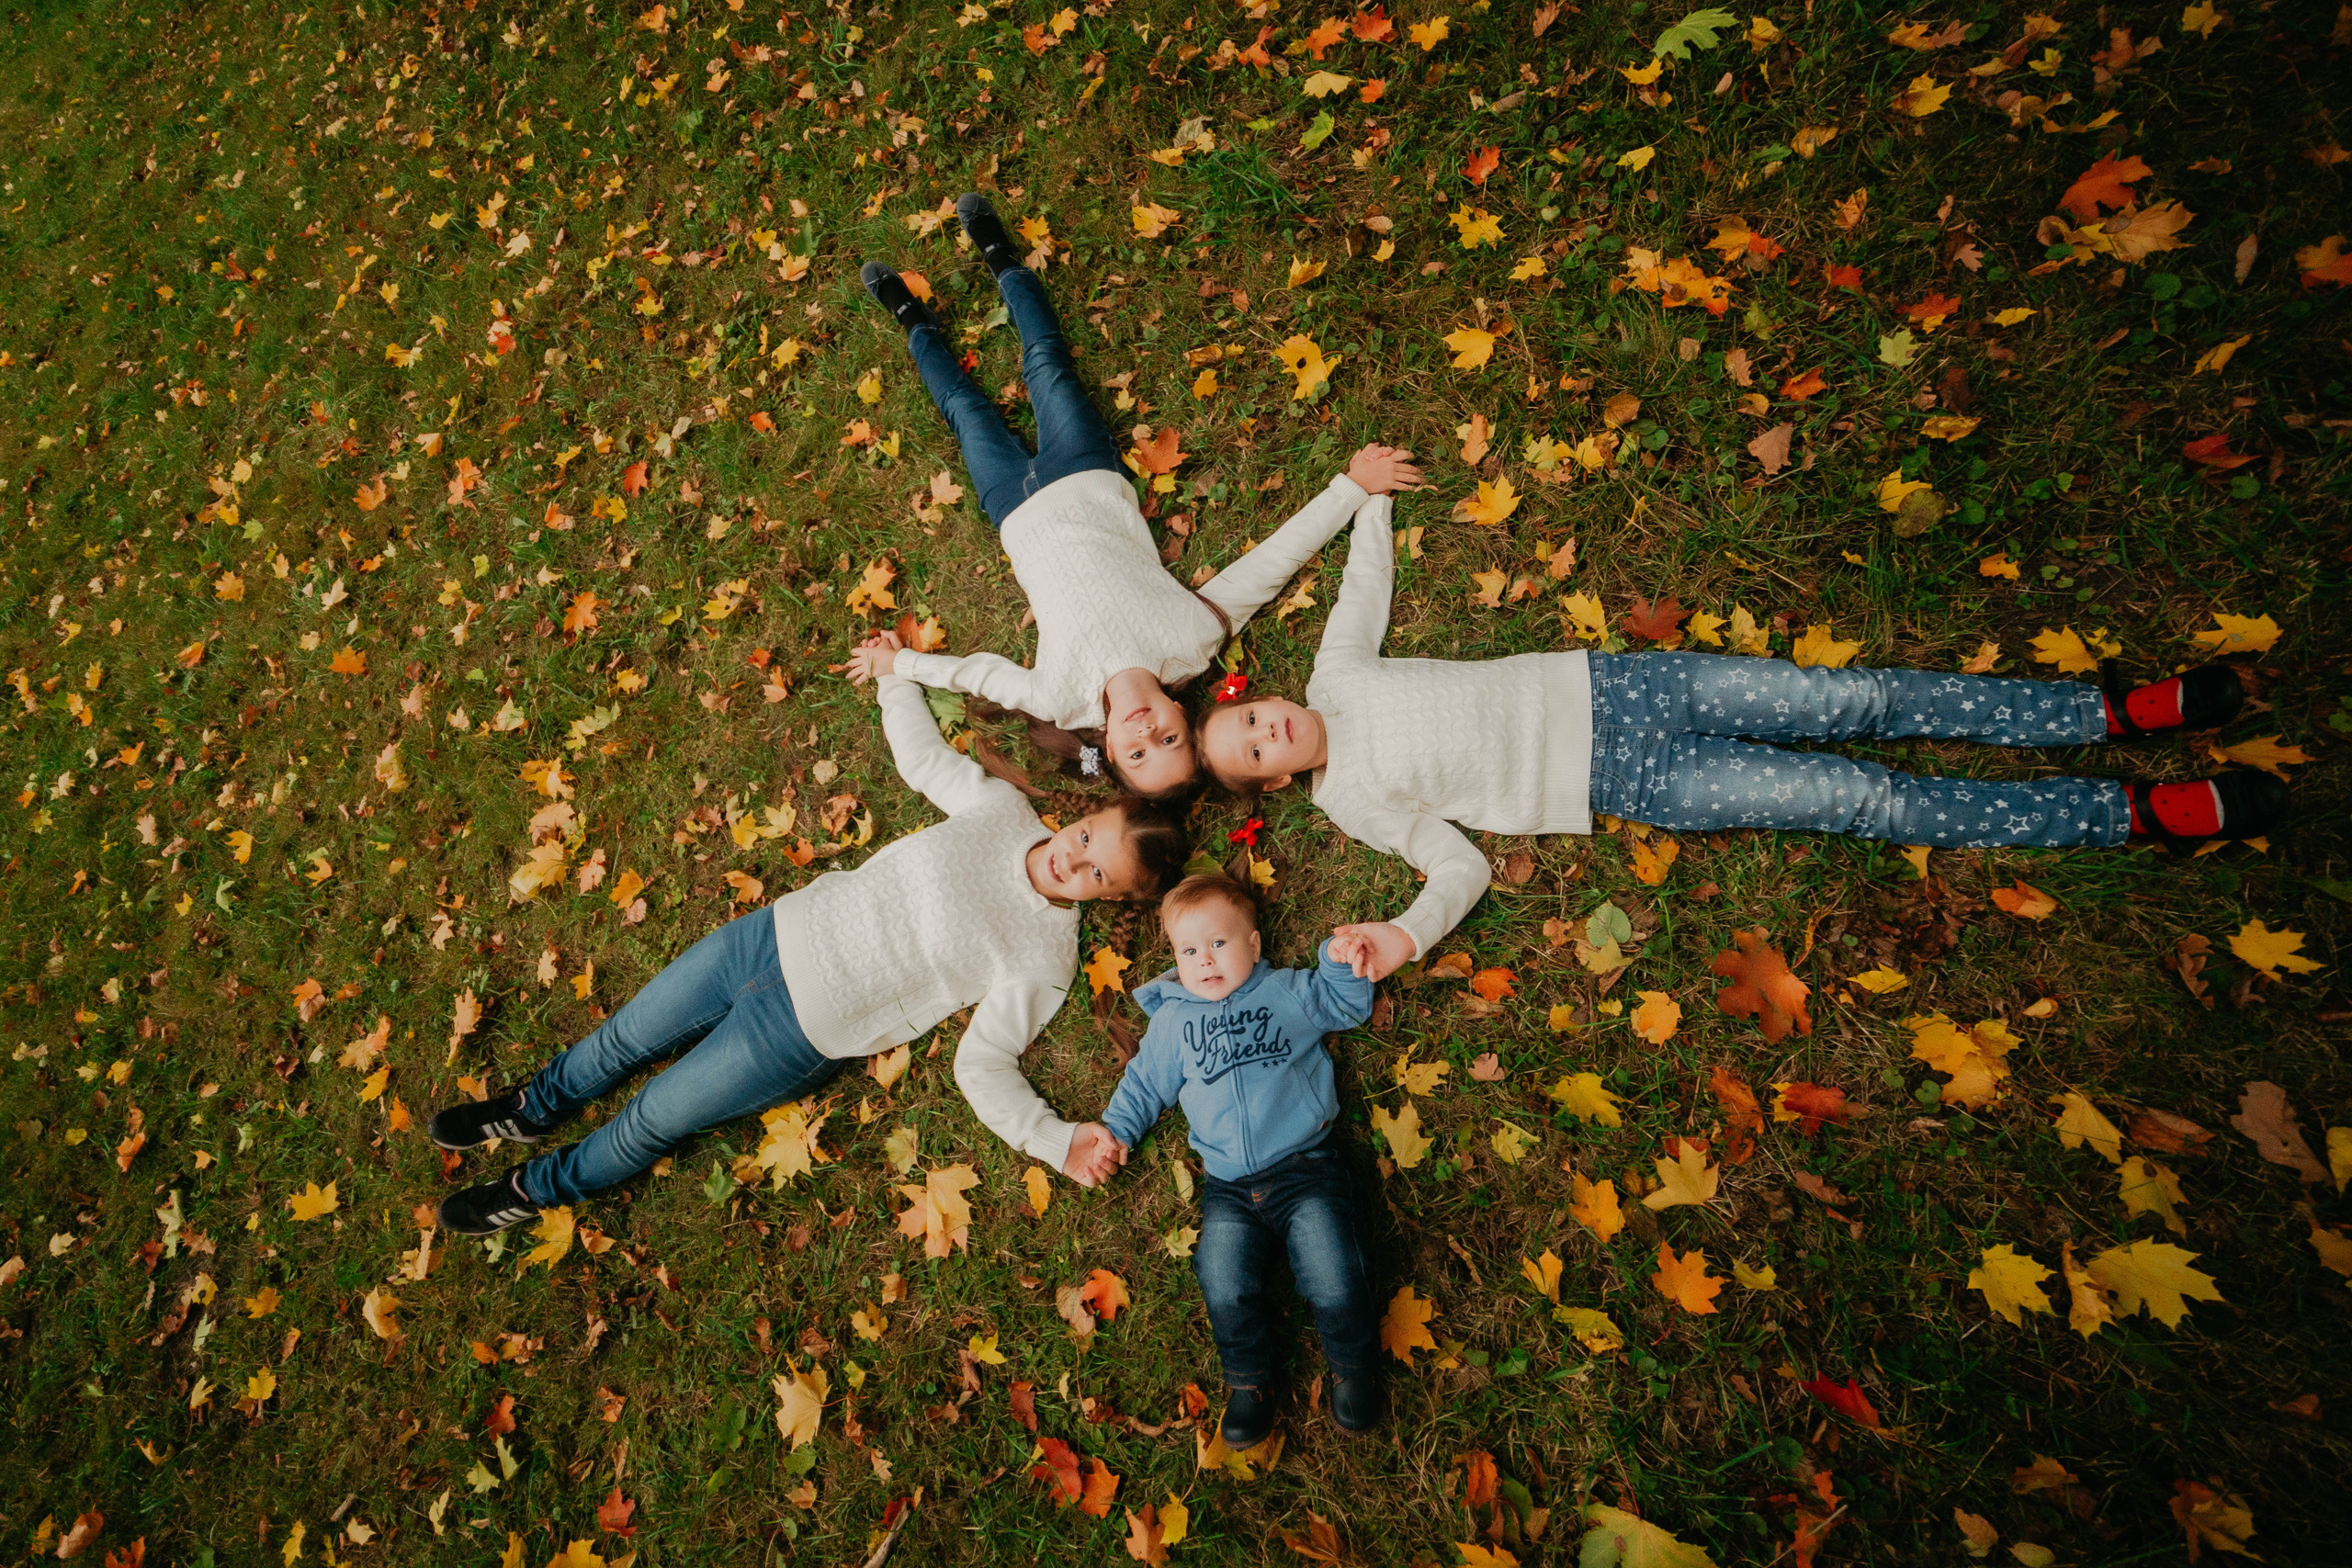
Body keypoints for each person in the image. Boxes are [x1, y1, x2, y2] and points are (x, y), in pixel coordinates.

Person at [1198, 494, 2290, 982]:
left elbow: (1361, 591)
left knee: (1850, 702)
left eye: (1249, 713)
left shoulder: (1338, 672)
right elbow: (1457, 863)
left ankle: (2102, 713)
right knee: (1868, 802)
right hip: (1638, 776)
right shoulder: (1351, 804)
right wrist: (1404, 933)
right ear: (1273, 786)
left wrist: (1364, 497)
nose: (1266, 727)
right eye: (1254, 750)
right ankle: (2128, 813)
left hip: (1630, 682)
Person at [426, 661, 1186, 1235]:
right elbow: (925, 765)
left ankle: (535, 1189)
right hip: (768, 939)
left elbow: (982, 1065)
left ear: (1111, 897)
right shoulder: (1003, 809)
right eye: (1086, 837)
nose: (1073, 860)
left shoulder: (1043, 960)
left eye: (1095, 873)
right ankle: (533, 1105)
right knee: (626, 1034)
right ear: (1085, 816)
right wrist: (895, 677)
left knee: (653, 1116)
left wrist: (1055, 1142)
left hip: (798, 1033)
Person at [855, 193, 1422, 799]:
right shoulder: (1192, 639)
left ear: (1107, 749)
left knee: (965, 410)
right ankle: (998, 254)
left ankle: (912, 320)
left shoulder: (1061, 699)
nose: (1149, 731)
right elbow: (1270, 566)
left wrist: (899, 666)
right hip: (1085, 471)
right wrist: (1349, 488)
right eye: (1169, 741)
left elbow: (977, 675)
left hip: (1012, 508)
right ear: (1188, 722)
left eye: (1138, 752)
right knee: (1046, 362)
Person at [1095, 874, 1382, 1446]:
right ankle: (1249, 1382)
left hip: (1307, 1168)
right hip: (1227, 1186)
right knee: (1221, 1281)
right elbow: (1146, 1083)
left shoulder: (1286, 994)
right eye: (1188, 951)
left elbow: (1344, 1004)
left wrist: (1336, 958)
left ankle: (1354, 1369)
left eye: (1219, 944)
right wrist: (1115, 1130)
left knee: (1334, 1273)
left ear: (1253, 944)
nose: (1204, 960)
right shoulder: (1173, 1022)